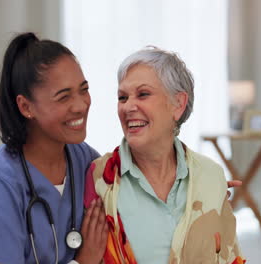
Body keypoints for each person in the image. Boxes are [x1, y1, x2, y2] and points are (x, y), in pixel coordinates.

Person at [84, 47, 246, 264]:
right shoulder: (99, 177)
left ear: (178, 104)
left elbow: (229, 256)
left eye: (143, 94)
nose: (128, 107)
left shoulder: (210, 175)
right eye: (122, 97)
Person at [0, 32, 107, 264]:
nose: (81, 105)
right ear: (26, 106)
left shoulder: (85, 160)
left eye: (84, 89)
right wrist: (84, 261)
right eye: (63, 97)